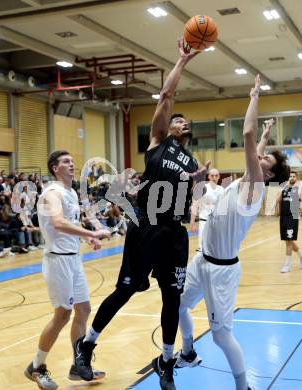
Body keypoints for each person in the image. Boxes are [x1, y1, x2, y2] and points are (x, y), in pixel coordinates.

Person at [74, 39, 208, 390]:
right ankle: (86, 346)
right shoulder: (159, 142)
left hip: (175, 233)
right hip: (145, 223)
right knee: (125, 291)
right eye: (176, 120)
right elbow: (165, 97)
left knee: (172, 298)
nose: (180, 122)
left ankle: (166, 361)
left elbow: (190, 202)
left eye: (184, 121)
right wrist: (181, 61)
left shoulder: (191, 162)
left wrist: (197, 183)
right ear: (167, 127)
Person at [176, 76, 290, 390]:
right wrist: (267, 136)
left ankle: (244, 386)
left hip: (222, 271)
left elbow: (247, 132)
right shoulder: (251, 178)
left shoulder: (256, 184)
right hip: (202, 260)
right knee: (180, 305)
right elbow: (258, 144)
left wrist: (254, 95)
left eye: (264, 159)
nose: (260, 155)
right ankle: (187, 352)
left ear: (268, 174)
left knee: (221, 335)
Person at [24, 150, 111, 390]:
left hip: (73, 259)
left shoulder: (71, 192)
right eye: (65, 162)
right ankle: (36, 367)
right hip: (57, 261)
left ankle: (78, 364)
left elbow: (71, 225)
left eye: (73, 161)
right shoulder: (52, 193)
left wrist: (86, 239)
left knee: (83, 309)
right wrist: (93, 233)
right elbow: (58, 223)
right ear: (54, 168)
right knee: (62, 315)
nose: (71, 164)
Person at [277, 171, 302, 273]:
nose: (292, 177)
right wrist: (276, 211)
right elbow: (278, 200)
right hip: (283, 218)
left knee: (289, 242)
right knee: (288, 241)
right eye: (290, 176)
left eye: (294, 176)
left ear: (296, 178)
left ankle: (287, 265)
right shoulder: (283, 189)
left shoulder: (299, 190)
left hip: (293, 217)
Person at [190, 168, 224, 251]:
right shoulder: (202, 188)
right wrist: (192, 222)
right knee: (202, 249)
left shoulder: (222, 190)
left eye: (216, 175)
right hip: (204, 222)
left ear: (219, 177)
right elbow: (194, 205)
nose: (214, 178)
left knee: (217, 249)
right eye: (212, 176)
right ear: (208, 177)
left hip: (217, 223)